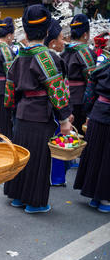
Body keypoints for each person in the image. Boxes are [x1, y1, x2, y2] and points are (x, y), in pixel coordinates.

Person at [4, 5, 72, 213]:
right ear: (46, 32)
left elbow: (9, 92)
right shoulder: (48, 57)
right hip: (40, 115)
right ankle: (34, 203)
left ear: (25, 31)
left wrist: (13, 111)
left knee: (23, 156)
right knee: (38, 160)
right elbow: (57, 91)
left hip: (22, 115)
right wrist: (64, 120)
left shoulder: (19, 56)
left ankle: (18, 197)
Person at [74, 53, 110, 212]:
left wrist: (88, 113)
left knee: (96, 154)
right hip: (106, 117)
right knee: (106, 158)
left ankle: (95, 197)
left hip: (97, 113)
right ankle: (105, 199)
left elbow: (90, 92)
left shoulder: (103, 64)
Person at [61, 14, 97, 137]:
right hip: (80, 101)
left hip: (64, 98)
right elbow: (91, 81)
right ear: (86, 34)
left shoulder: (64, 51)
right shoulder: (86, 52)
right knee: (79, 136)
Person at [44, 19, 70, 187]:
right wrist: (65, 116)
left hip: (27, 111)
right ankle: (56, 177)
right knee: (55, 143)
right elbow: (58, 90)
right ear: (52, 43)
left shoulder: (24, 54)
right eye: (61, 38)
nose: (64, 42)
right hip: (49, 109)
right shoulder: (52, 59)